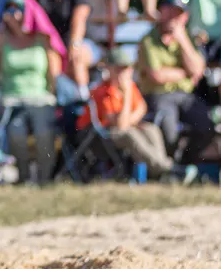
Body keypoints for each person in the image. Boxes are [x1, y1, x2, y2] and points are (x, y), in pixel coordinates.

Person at [80, 47, 192, 182]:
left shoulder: (129, 86)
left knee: (151, 129)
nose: (124, 73)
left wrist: (130, 119)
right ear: (109, 69)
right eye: (119, 69)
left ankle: (160, 172)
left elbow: (141, 108)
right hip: (97, 137)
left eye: (126, 68)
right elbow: (121, 125)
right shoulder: (103, 92)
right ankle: (167, 168)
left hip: (118, 129)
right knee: (130, 134)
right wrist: (127, 95)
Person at [0, 0, 61, 185]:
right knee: (16, 132)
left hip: (41, 98)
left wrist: (57, 99)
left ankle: (45, 178)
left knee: (43, 132)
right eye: (9, 10)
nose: (14, 15)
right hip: (11, 99)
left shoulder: (43, 39)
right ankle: (23, 176)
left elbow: (54, 75)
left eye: (18, 10)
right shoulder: (1, 40)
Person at [136, 0, 213, 166]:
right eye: (170, 12)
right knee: (169, 132)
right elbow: (157, 76)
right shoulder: (148, 40)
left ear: (185, 17)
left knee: (206, 126)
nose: (173, 18)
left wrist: (183, 41)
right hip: (158, 95)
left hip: (185, 95)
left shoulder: (189, 39)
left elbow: (199, 70)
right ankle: (169, 167)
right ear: (161, 12)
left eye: (178, 14)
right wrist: (187, 72)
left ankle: (184, 164)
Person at [30, 0, 95, 100]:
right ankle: (57, 102)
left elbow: (80, 18)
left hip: (82, 42)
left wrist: (74, 43)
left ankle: (83, 101)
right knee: (51, 60)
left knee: (77, 58)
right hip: (51, 45)